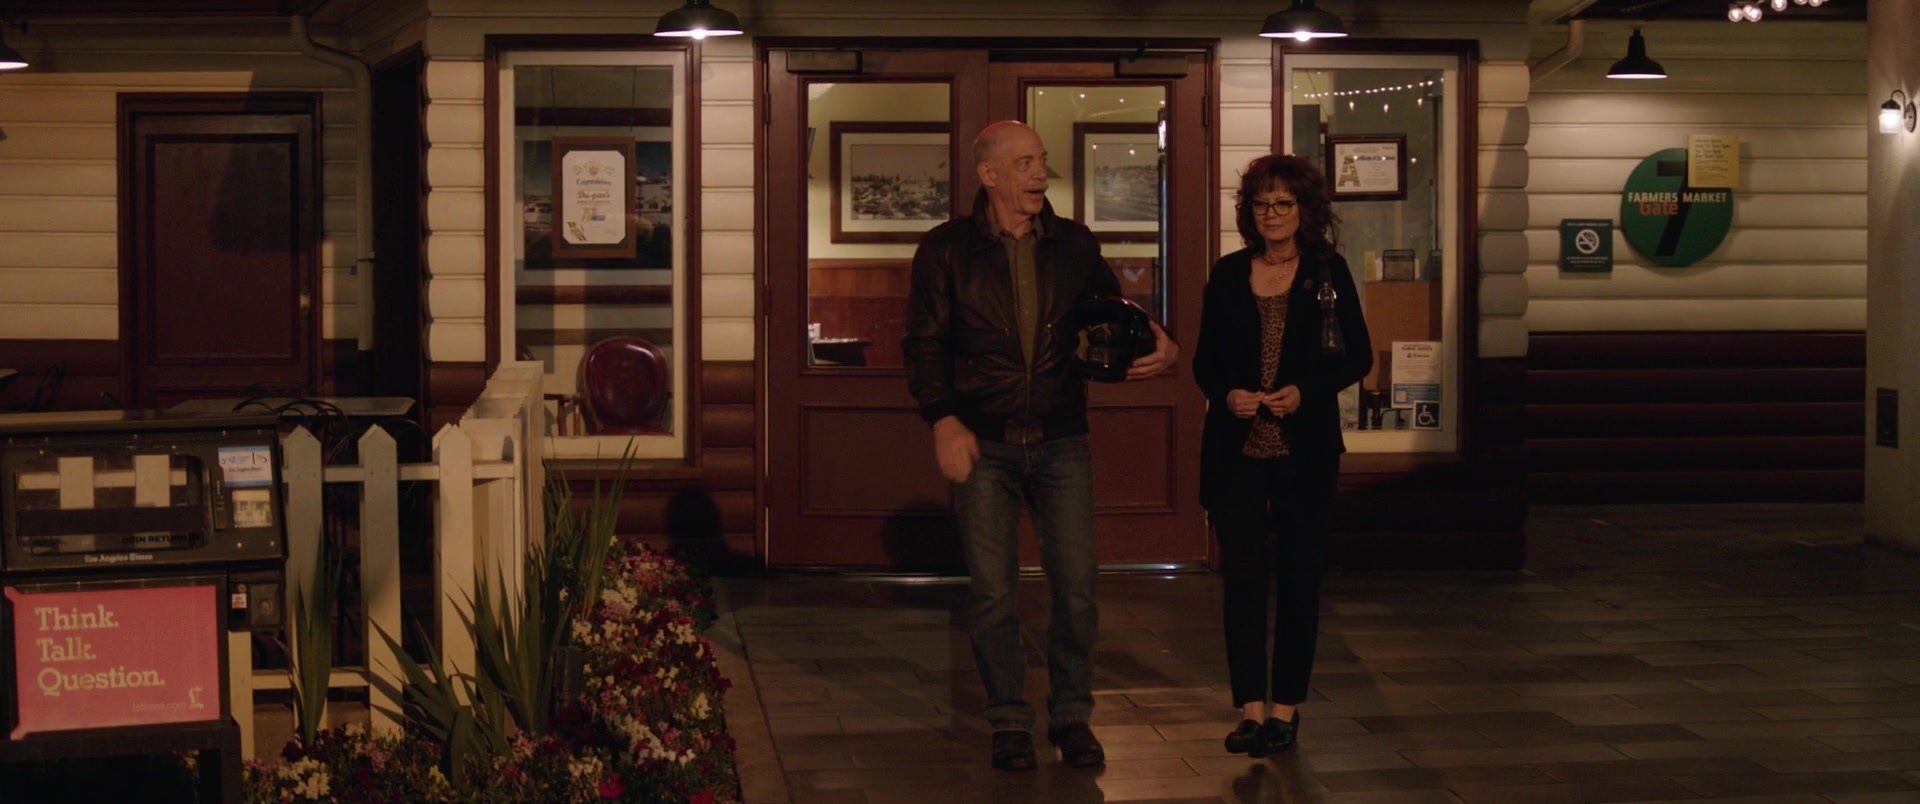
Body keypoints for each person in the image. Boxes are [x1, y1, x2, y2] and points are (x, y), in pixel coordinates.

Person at [903, 120, 1178, 771]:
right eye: (1024, 163)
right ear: (989, 174)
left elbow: (1114, 315)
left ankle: (1072, 717)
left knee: (1077, 587)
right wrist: (942, 418)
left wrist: (1160, 342)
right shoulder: (945, 251)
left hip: (1061, 442)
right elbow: (923, 345)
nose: (1039, 174)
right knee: (993, 594)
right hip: (985, 444)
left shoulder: (1074, 245)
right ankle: (1009, 720)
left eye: (1042, 161)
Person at [1192, 154, 1372, 757]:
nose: (1271, 214)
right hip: (1237, 449)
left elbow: (1358, 356)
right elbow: (1204, 361)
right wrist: (1228, 394)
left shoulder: (1327, 271)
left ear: (1305, 210)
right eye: (1261, 204)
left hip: (1305, 450)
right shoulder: (1227, 273)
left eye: (1283, 204)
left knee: (1299, 580)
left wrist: (1306, 392)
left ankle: (1285, 710)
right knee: (1242, 581)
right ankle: (1249, 710)